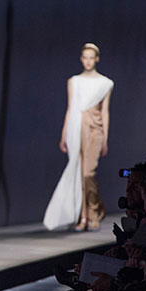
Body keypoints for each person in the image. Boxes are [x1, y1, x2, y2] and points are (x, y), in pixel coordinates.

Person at [44, 43, 114, 231]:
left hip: (95, 129)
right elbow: (70, 108)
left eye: (92, 57)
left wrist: (106, 138)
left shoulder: (106, 83)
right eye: (85, 57)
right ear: (81, 59)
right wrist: (63, 135)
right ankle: (84, 216)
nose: (88, 61)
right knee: (79, 173)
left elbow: (105, 112)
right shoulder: (74, 81)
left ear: (97, 59)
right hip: (76, 128)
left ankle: (95, 210)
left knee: (88, 173)